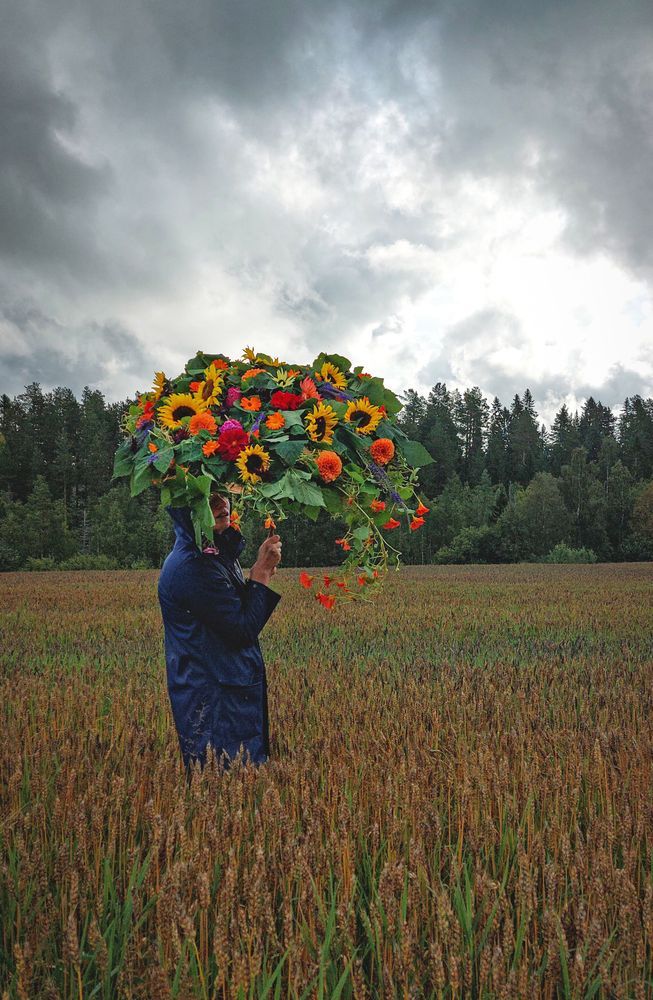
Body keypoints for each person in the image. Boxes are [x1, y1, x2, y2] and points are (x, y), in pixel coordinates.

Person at [157, 490, 282, 775]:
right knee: (221, 786)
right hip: (214, 700)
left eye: (223, 492)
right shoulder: (193, 567)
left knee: (239, 786)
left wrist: (257, 578)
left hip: (226, 690)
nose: (220, 503)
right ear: (187, 510)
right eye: (205, 495)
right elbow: (241, 630)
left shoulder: (212, 554)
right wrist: (260, 575)